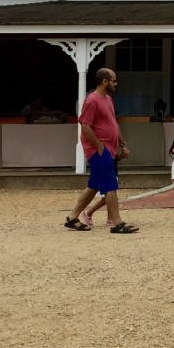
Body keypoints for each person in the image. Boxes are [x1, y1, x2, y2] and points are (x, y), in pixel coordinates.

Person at [64, 68, 138, 234]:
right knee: (110, 183)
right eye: (113, 80)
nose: (115, 84)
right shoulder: (92, 101)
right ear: (105, 81)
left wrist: (122, 143)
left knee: (94, 185)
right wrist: (98, 146)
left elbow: (114, 123)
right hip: (99, 150)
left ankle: (72, 217)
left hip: (109, 149)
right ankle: (117, 223)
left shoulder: (108, 100)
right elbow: (85, 126)